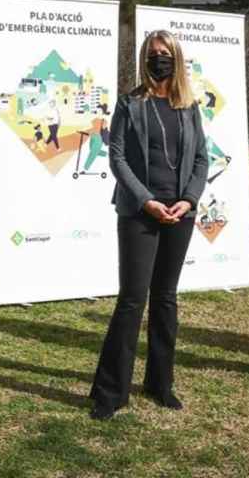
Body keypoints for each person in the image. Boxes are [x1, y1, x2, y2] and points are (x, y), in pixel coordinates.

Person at [89, 30, 208, 420]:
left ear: (176, 58)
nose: (160, 59)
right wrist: (148, 201)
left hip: (181, 215)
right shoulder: (130, 102)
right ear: (145, 58)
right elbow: (117, 157)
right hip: (140, 212)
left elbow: (201, 159)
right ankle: (110, 392)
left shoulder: (189, 106)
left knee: (166, 299)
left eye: (166, 54)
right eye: (154, 54)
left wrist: (188, 199)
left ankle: (160, 383)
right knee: (132, 300)